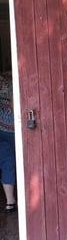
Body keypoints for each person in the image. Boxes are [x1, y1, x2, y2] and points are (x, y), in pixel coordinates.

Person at [0, 71, 17, 212]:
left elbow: (13, 104)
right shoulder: (9, 81)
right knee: (8, 162)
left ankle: (10, 201)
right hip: (8, 131)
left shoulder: (10, 81)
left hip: (10, 131)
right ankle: (10, 201)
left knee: (8, 162)